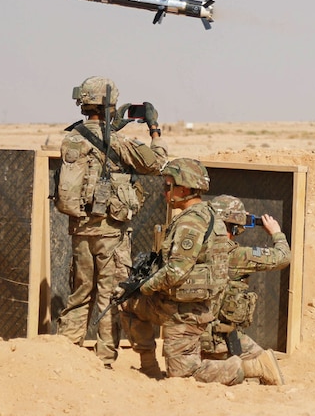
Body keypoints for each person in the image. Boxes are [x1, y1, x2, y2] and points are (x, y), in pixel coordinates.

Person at [55, 76, 167, 368]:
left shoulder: (71, 138)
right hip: (112, 234)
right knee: (110, 295)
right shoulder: (119, 142)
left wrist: (111, 124)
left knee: (81, 292)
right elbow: (156, 163)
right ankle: (104, 359)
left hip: (80, 229)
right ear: (110, 106)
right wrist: (154, 130)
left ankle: (66, 351)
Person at [119, 158, 235, 382]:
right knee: (126, 302)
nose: (165, 192)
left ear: (183, 189)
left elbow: (175, 271)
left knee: (184, 375)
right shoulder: (209, 215)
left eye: (167, 187)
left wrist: (145, 287)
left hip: (184, 313)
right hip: (190, 306)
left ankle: (247, 368)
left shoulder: (190, 223)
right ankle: (149, 368)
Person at [199, 194, 291, 386]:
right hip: (217, 334)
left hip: (208, 333)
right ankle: (253, 365)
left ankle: (250, 366)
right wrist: (276, 233)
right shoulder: (238, 255)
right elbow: (282, 256)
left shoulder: (197, 250)